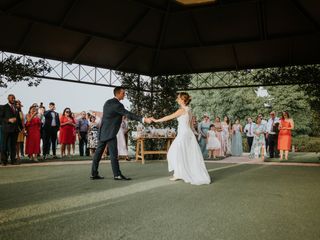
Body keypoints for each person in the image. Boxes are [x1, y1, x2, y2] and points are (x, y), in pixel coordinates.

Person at [91, 86, 153, 180]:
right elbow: (128, 114)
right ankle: (117, 175)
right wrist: (143, 119)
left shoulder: (107, 102)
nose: (124, 95)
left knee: (98, 154)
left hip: (103, 132)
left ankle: (93, 174)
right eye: (123, 93)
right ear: (118, 93)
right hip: (110, 133)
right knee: (113, 155)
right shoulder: (117, 105)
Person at [153, 92, 211, 185]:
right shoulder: (189, 110)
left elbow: (169, 117)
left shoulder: (182, 110)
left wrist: (156, 120)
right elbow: (191, 125)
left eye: (178, 98)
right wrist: (194, 133)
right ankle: (178, 173)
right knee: (183, 153)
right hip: (188, 134)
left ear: (183, 100)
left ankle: (179, 173)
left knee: (173, 152)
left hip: (183, 134)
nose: (177, 99)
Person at [0, 94, 23, 166]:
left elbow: (19, 119)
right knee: (4, 145)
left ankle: (13, 160)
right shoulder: (4, 107)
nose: (13, 99)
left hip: (15, 130)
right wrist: (8, 120)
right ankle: (4, 161)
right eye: (11, 98)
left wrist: (21, 129)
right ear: (8, 99)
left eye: (14, 98)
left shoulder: (16, 108)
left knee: (13, 146)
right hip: (6, 129)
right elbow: (0, 118)